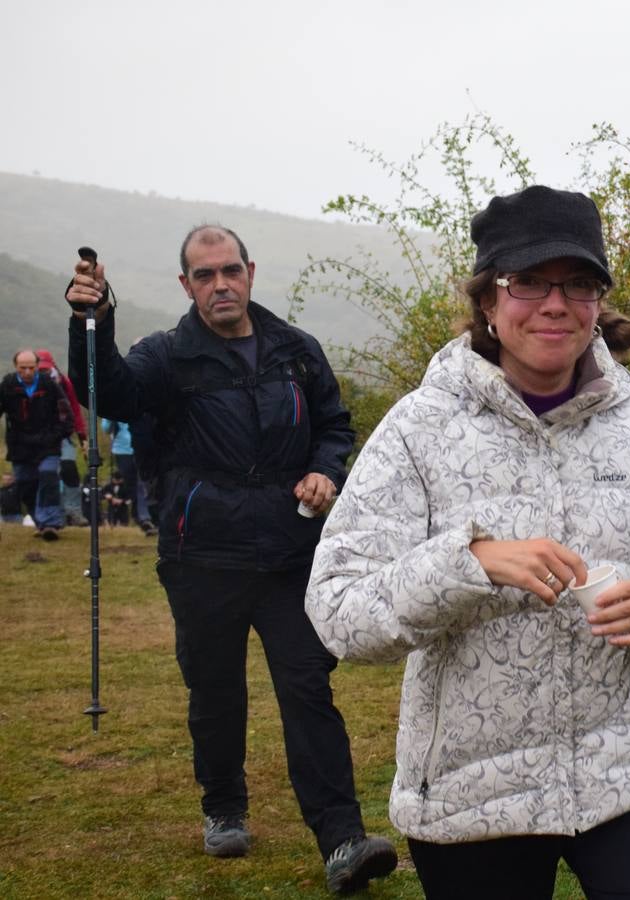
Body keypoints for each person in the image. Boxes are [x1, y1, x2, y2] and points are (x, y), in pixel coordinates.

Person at [306, 185, 630, 899]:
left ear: (598, 303)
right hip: (475, 792)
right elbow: (339, 611)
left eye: (579, 284)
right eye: (528, 281)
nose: (555, 303)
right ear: (489, 303)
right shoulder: (418, 431)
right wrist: (470, 563)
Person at [64, 225, 397, 894]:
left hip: (287, 551)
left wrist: (325, 470)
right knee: (215, 689)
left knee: (307, 687)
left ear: (249, 272)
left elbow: (334, 423)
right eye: (204, 275)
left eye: (229, 271)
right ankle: (223, 806)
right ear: (186, 285)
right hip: (202, 554)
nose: (220, 284)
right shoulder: (166, 356)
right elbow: (109, 393)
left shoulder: (297, 351)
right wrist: (92, 322)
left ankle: (342, 841)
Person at [2, 348, 73, 539]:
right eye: (22, 368)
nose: (27, 372)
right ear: (16, 367)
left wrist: (59, 434)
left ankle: (51, 522)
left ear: (36, 366)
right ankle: (40, 522)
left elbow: (65, 412)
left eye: (31, 368)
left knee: (48, 475)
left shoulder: (48, 384)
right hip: (20, 445)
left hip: (47, 443)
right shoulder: (8, 385)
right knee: (26, 484)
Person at [35, 349, 89, 526]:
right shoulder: (29, 386)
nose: (43, 373)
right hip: (38, 438)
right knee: (47, 476)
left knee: (69, 470)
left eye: (46, 369)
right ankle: (51, 513)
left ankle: (73, 511)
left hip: (63, 435)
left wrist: (83, 439)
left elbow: (75, 411)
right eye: (40, 369)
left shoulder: (65, 383)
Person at [101, 417, 156, 534]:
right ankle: (139, 516)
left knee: (143, 483)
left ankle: (145, 518)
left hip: (142, 447)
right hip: (122, 450)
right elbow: (106, 428)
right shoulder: (116, 405)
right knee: (131, 485)